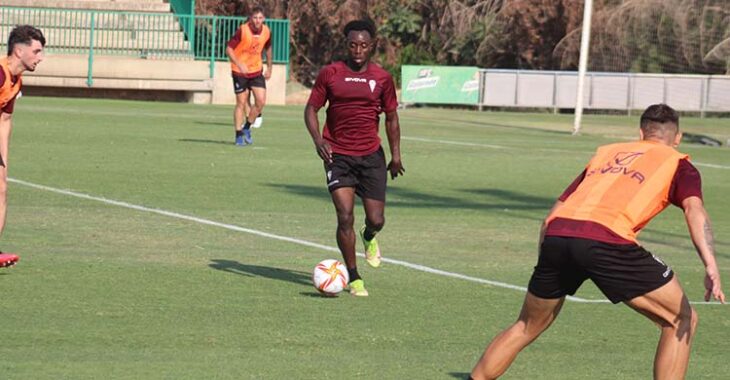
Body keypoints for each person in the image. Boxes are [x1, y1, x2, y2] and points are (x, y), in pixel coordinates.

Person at [470, 104, 725, 379]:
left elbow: (549, 219)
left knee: (526, 325)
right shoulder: (678, 163)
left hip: (558, 236)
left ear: (640, 133)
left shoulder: (607, 155)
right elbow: (694, 210)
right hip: (607, 240)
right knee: (680, 319)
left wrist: (549, 262)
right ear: (678, 138)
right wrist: (710, 264)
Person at [304, 19, 404, 297]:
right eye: (352, 44)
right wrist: (318, 140)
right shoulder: (331, 73)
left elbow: (392, 119)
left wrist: (396, 156)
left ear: (372, 46)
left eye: (363, 45)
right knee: (344, 215)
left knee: (377, 219)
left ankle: (369, 235)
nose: (357, 49)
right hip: (338, 156)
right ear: (346, 45)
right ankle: (354, 276)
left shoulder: (382, 78)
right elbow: (311, 109)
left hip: (371, 156)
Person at [0, 25, 45, 268]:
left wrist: (4, 160)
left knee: (1, 188)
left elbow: (5, 120)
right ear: (19, 51)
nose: (41, 57)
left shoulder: (16, 81)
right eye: (36, 51)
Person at [226, 5, 272, 146]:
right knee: (241, 102)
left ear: (263, 18)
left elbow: (268, 48)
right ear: (251, 19)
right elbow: (229, 49)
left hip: (256, 70)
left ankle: (246, 128)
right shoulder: (243, 30)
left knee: (261, 101)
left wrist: (270, 67)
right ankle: (238, 133)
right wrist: (239, 64)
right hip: (240, 72)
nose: (257, 21)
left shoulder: (266, 31)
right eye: (255, 18)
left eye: (260, 18)